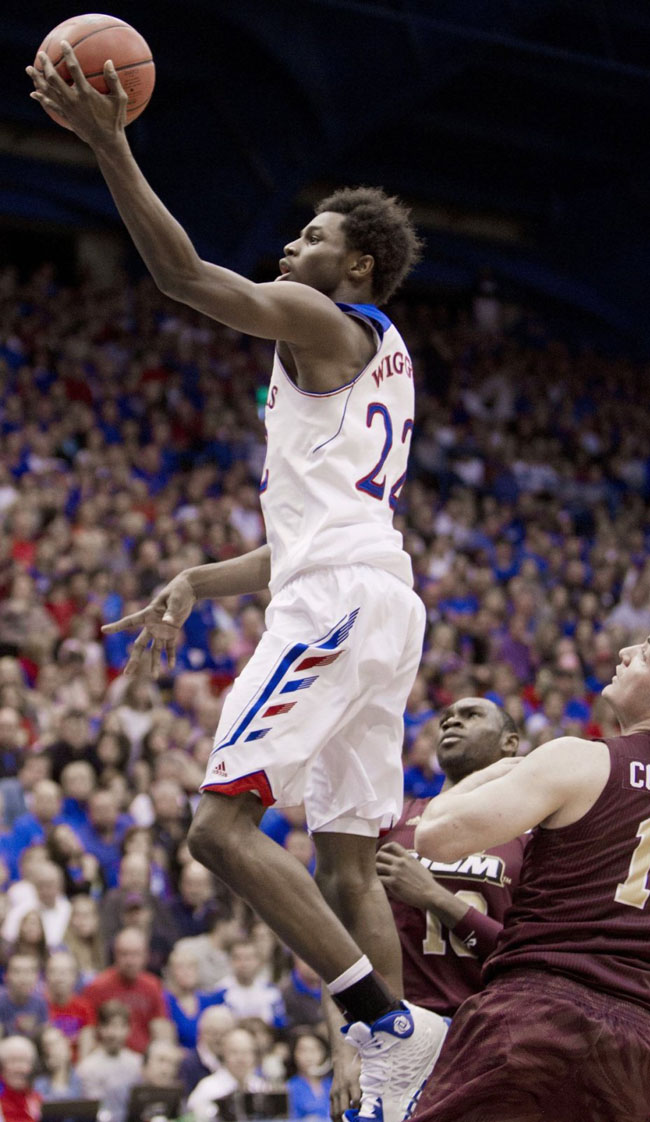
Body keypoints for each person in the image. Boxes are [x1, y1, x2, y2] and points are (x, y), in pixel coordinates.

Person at [28, 42, 443, 1122]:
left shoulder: (317, 320)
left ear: (354, 268)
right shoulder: (380, 352)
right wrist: (201, 579)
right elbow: (314, 531)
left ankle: (385, 1023)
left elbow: (181, 278)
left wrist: (111, 147)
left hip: (340, 604)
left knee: (216, 830)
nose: (291, 244)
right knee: (351, 863)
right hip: (381, 598)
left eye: (312, 237)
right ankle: (387, 1097)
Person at [410, 635, 650, 1121]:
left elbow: (433, 836)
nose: (624, 652)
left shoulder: (579, 759)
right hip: (637, 1049)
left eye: (645, 652)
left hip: (536, 1014)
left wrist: (491, 774)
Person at [376, 699, 526, 1016]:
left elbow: (526, 954)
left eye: (471, 715)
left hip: (487, 1025)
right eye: (446, 718)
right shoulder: (396, 819)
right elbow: (348, 934)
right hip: (397, 1025)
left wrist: (434, 897)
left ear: (509, 742)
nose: (451, 722)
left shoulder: (532, 833)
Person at [82, 927, 171, 1053]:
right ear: (115, 955)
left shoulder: (152, 985)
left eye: (135, 954)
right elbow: (89, 1031)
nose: (130, 961)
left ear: (146, 955)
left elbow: (161, 1027)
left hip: (143, 1059)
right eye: (124, 954)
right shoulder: (97, 986)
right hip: (108, 1057)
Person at [76, 1000, 142, 1122]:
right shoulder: (88, 1067)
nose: (113, 1033)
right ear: (100, 1028)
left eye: (119, 1026)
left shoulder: (137, 1063)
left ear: (128, 1029)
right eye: (108, 1026)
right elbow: (93, 1110)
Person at [178, 1004, 235, 1098]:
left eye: (224, 1033)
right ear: (201, 1033)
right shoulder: (189, 1063)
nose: (219, 1039)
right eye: (213, 1033)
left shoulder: (233, 1061)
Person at [286, 1031, 332, 1121]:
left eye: (315, 1050)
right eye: (303, 1050)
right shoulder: (289, 1087)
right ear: (294, 1054)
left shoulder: (334, 1084)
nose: (309, 1056)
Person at [33, 1025, 84, 1101]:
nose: (56, 1048)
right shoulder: (39, 1085)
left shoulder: (81, 1078)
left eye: (58, 1041)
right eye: (49, 1044)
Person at [0, 1035, 41, 1122]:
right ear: (2, 1066)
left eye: (23, 1061)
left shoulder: (36, 1098)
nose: (19, 1068)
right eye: (13, 1061)